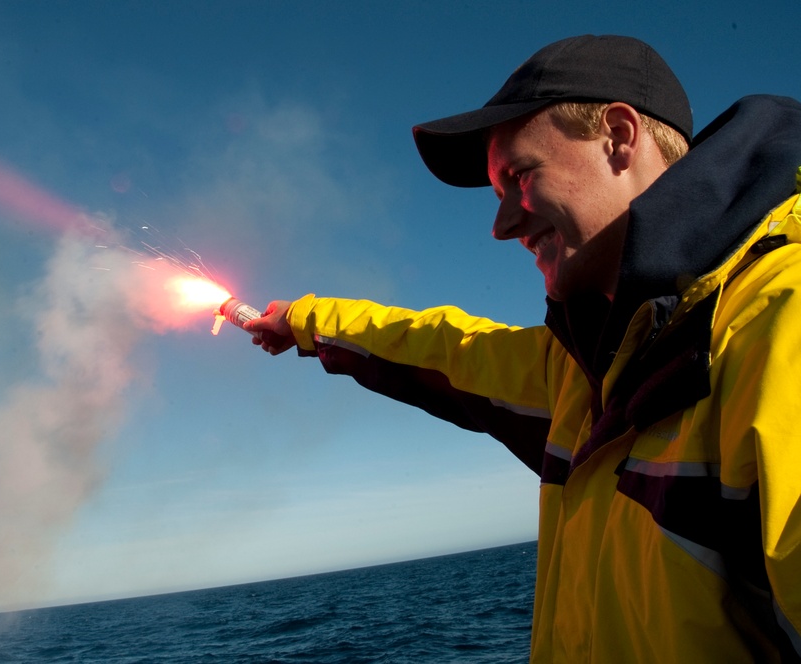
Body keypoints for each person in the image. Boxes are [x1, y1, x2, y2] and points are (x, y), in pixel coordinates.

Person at [244, 35, 801, 661]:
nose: (502, 224)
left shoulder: (780, 325)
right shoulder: (580, 371)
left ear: (619, 137)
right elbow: (445, 347)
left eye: (519, 177)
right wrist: (303, 319)